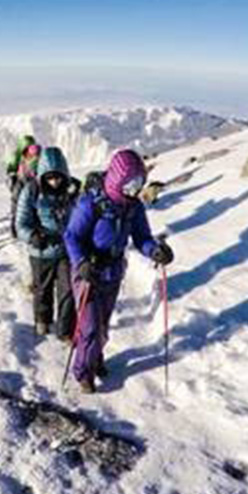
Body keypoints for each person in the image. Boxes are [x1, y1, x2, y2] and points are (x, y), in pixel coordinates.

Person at [64, 149, 175, 394]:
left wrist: (155, 251)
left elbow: (142, 237)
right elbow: (71, 236)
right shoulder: (91, 204)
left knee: (102, 324)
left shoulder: (133, 207)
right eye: (131, 184)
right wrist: (81, 262)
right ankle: (83, 372)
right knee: (90, 326)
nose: (135, 190)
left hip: (113, 272)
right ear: (117, 179)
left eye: (139, 183)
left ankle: (95, 357)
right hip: (88, 271)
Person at [16, 147, 80, 338]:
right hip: (40, 252)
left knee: (68, 291)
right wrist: (32, 236)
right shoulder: (32, 191)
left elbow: (82, 216)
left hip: (65, 251)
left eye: (58, 177)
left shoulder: (71, 191)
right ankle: (42, 320)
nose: (54, 181)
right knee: (42, 291)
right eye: (50, 177)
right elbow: (20, 223)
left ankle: (65, 330)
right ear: (42, 175)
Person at [6, 135, 37, 238]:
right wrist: (13, 179)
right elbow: (10, 170)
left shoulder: (33, 157)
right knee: (17, 205)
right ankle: (15, 228)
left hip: (29, 182)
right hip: (20, 182)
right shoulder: (17, 157)